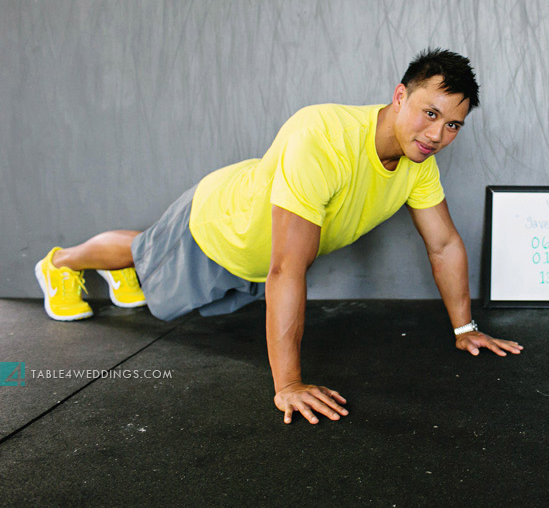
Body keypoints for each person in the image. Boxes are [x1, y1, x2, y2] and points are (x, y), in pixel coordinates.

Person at [35, 48, 523, 424]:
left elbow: (443, 244)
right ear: (400, 96)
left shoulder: (418, 163)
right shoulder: (324, 136)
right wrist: (288, 384)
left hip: (256, 257)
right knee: (139, 255)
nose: (437, 135)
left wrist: (465, 329)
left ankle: (127, 273)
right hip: (219, 224)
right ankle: (59, 263)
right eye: (430, 113)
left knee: (148, 260)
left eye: (453, 124)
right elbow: (288, 266)